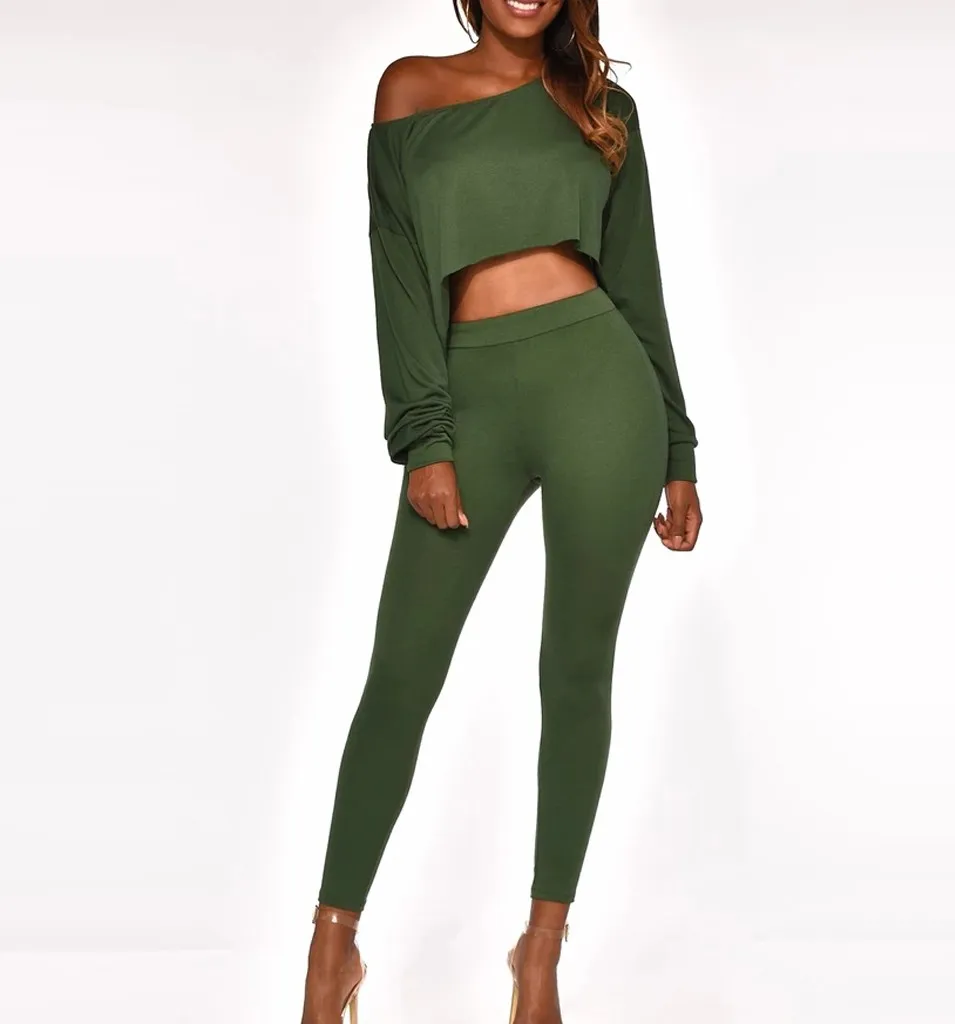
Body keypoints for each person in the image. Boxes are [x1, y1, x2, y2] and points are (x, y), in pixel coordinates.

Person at [301, 1, 703, 1021]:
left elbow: (639, 278)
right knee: (402, 673)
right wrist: (424, 438)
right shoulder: (409, 90)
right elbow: (398, 271)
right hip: (469, 398)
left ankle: (540, 950)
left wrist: (678, 449)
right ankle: (331, 947)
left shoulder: (601, 106)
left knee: (575, 669)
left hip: (602, 387)